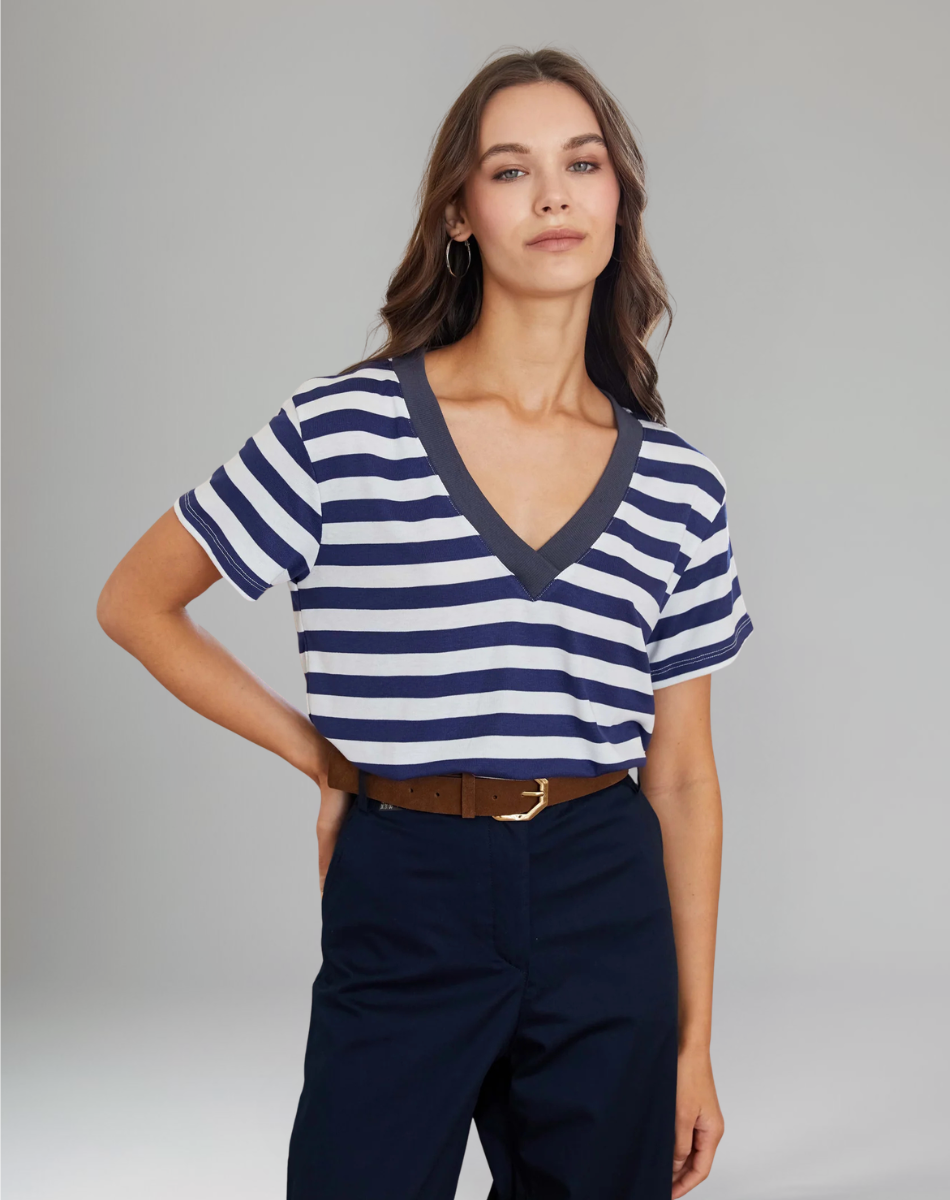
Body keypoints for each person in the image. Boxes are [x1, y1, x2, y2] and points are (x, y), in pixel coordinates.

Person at [97, 46, 754, 1200]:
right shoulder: (342, 432)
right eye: (508, 170)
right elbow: (135, 602)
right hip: (405, 883)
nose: (551, 196)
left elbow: (685, 777)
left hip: (603, 891)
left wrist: (692, 1045)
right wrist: (324, 758)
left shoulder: (675, 485)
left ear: (617, 200)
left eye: (581, 164)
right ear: (459, 213)